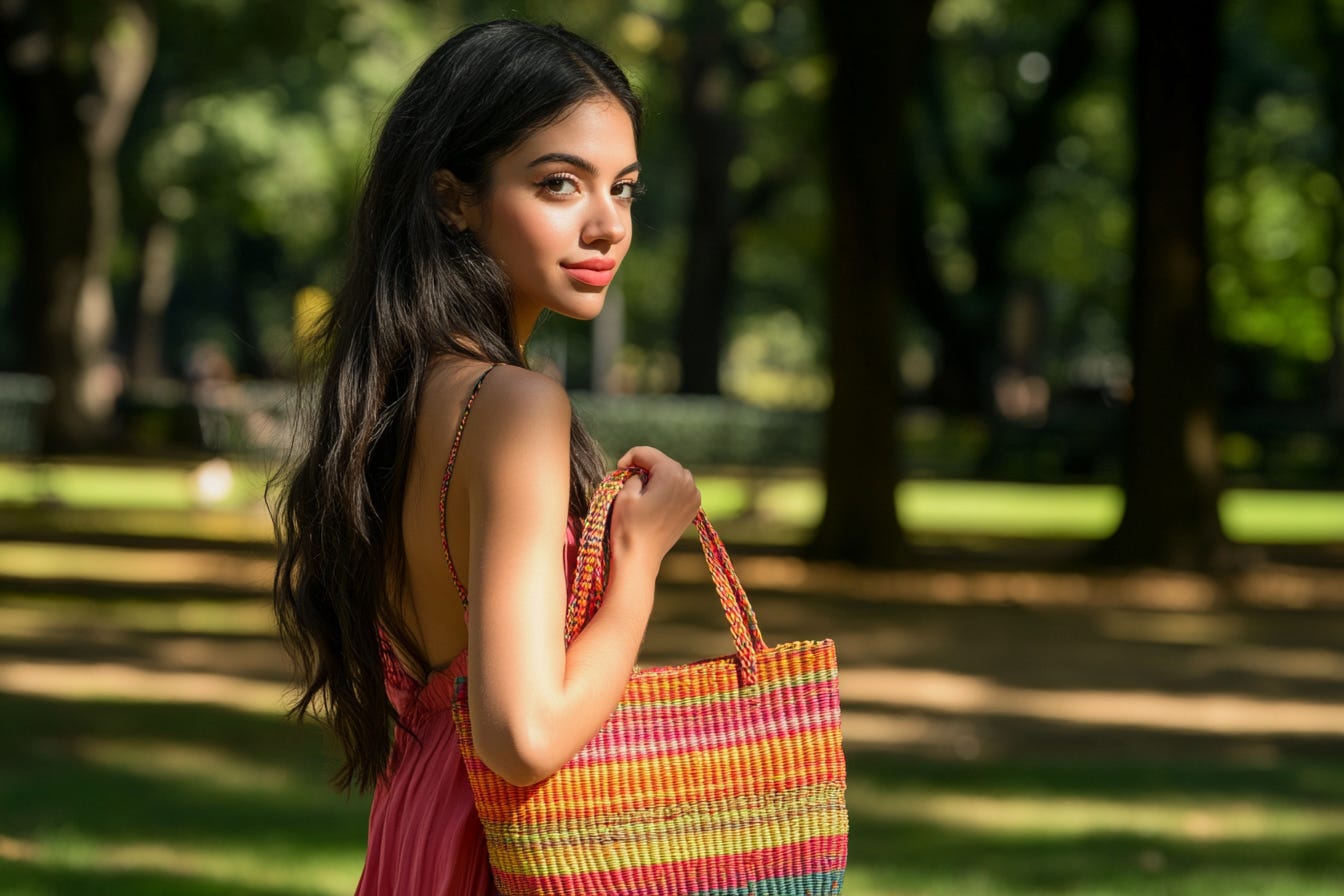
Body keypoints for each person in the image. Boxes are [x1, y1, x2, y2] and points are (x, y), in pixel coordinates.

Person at [269, 20, 702, 896]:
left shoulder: (395, 396)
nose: (606, 225)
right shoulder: (515, 407)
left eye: (623, 189)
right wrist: (638, 565)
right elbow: (523, 736)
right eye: (558, 184)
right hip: (499, 850)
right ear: (452, 197)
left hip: (418, 825)